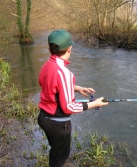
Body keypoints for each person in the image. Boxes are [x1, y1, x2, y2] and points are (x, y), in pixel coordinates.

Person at [37, 29, 108, 167]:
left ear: (49, 48)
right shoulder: (64, 73)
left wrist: (77, 88)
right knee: (60, 158)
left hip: (44, 118)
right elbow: (69, 106)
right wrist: (95, 104)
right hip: (58, 124)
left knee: (56, 151)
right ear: (69, 49)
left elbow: (50, 85)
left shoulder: (47, 66)